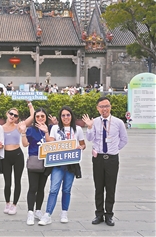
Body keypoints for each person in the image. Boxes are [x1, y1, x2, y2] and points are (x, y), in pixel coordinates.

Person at [82, 97, 128, 226]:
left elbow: (124, 139)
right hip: (98, 159)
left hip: (112, 159)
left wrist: (114, 150)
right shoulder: (95, 122)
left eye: (106, 106)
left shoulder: (118, 122)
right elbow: (90, 138)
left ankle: (109, 215)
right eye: (101, 107)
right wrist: (89, 127)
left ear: (110, 107)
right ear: (97, 108)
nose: (104, 109)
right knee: (98, 187)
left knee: (111, 187)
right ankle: (99, 214)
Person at [37, 106, 86, 225]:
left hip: (71, 164)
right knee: (53, 189)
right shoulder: (55, 128)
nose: (65, 117)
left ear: (71, 116)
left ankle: (64, 212)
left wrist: (81, 147)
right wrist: (46, 132)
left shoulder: (77, 129)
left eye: (68, 115)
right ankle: (47, 214)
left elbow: (83, 144)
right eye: (63, 115)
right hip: (57, 163)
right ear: (60, 117)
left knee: (66, 190)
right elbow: (50, 142)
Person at [20, 108, 56, 226]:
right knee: (33, 187)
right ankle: (30, 212)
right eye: (38, 116)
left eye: (42, 116)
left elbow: (53, 142)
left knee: (41, 188)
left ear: (46, 117)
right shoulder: (31, 130)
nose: (40, 118)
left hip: (47, 161)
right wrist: (23, 133)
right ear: (35, 118)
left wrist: (54, 125)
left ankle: (38, 210)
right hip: (34, 160)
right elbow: (25, 144)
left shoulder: (51, 129)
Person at [2, 103, 34, 215]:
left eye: (15, 116)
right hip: (5, 156)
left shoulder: (19, 126)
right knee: (7, 182)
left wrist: (30, 105)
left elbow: (32, 116)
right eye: (11, 114)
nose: (12, 116)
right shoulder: (0, 128)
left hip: (17, 155)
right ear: (7, 114)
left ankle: (14, 205)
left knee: (17, 181)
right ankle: (7, 203)